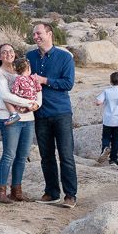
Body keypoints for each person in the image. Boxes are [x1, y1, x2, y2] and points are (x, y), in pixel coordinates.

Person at [26, 21, 78, 208]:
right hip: (40, 113)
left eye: (39, 33)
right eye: (34, 34)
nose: (36, 37)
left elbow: (68, 84)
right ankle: (51, 192)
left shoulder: (65, 57)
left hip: (61, 112)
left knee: (66, 155)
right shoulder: (29, 56)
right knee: (46, 156)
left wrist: (45, 80)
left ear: (49, 34)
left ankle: (70, 195)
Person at [0, 44, 40, 203]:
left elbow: (38, 91)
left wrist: (36, 105)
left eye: (11, 51)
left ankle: (16, 191)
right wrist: (28, 103)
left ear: (15, 53)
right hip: (9, 118)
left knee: (22, 156)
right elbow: (5, 95)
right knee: (9, 155)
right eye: (4, 52)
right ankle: (1, 193)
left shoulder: (23, 70)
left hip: (28, 119)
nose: (8, 54)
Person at [4, 57, 42, 124]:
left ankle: (14, 114)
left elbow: (14, 90)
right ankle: (24, 109)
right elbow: (39, 88)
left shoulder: (18, 78)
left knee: (6, 99)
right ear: (28, 68)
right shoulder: (33, 77)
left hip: (22, 104)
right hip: (32, 101)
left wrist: (12, 92)